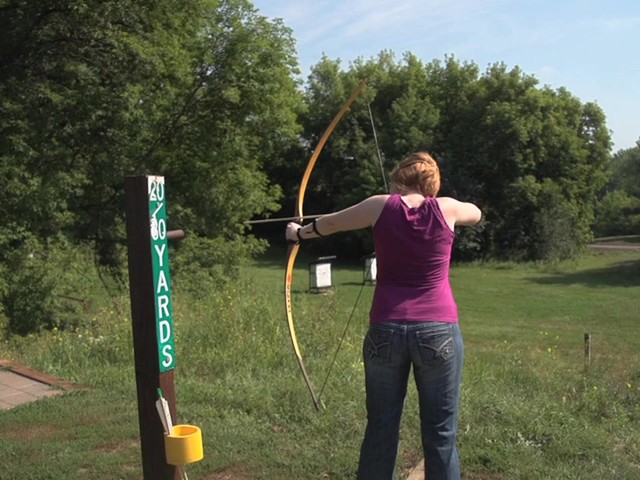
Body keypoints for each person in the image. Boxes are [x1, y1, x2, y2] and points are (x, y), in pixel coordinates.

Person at [285, 151, 482, 480]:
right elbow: (475, 213)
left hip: (386, 331)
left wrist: (299, 233)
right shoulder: (447, 207)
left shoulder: (379, 205)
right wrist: (438, 200)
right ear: (432, 181)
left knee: (381, 427)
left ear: (400, 178)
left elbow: (331, 223)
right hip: (438, 332)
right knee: (441, 434)